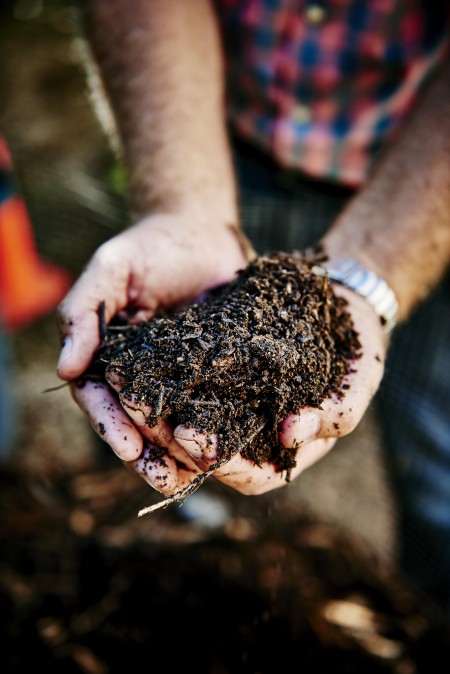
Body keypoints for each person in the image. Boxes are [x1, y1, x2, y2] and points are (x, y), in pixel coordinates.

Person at [56, 1, 450, 612]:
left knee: (441, 475)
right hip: (205, 130)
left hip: (425, 180)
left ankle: (427, 622)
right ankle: (124, 598)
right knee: (137, 455)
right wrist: (180, 204)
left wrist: (375, 271)